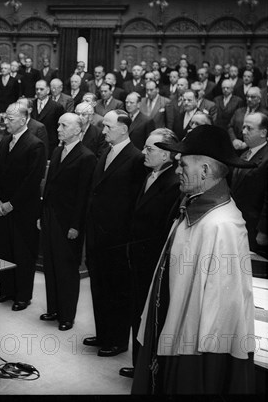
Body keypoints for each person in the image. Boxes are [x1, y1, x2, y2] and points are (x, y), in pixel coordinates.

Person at [132, 125, 256, 395]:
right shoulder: (193, 206)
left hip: (195, 356)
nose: (177, 170)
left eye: (183, 165)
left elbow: (221, 314)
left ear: (205, 171)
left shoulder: (222, 225)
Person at [120, 128, 181, 380]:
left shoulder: (174, 184)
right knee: (138, 313)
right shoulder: (150, 174)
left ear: (167, 155)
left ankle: (146, 369)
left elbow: (165, 229)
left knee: (150, 317)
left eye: (149, 149)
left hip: (153, 261)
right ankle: (139, 365)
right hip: (138, 257)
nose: (143, 153)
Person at [84, 110, 146, 357]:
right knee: (99, 287)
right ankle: (103, 334)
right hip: (98, 235)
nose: (103, 130)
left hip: (118, 239)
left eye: (108, 126)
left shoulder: (136, 158)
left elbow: (134, 204)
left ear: (123, 128)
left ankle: (118, 340)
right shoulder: (106, 152)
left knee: (118, 290)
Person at [39, 113, 97, 331]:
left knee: (66, 269)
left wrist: (76, 225)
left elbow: (84, 196)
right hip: (51, 216)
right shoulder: (56, 151)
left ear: (77, 129)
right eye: (58, 125)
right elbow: (49, 187)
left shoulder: (86, 156)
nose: (59, 129)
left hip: (69, 222)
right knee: (51, 265)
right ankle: (53, 308)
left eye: (64, 125)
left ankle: (67, 316)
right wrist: (41, 215)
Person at [0, 102, 47, 310]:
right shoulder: (5, 141)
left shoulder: (35, 144)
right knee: (4, 250)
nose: (6, 122)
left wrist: (11, 203)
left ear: (23, 120)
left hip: (22, 209)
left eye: (10, 119)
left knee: (23, 253)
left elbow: (32, 180)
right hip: (2, 207)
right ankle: (6, 290)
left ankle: (23, 296)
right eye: (6, 118)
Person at [230, 112, 268, 257]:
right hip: (238, 225)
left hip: (255, 231)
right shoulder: (244, 155)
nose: (243, 132)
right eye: (243, 127)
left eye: (249, 128)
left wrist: (263, 231)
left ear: (263, 133)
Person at [31, 79, 64, 158]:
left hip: (50, 145)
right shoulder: (31, 104)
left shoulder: (56, 107)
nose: (38, 91)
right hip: (32, 143)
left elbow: (60, 126)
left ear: (48, 90)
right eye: (36, 89)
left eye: (41, 89)